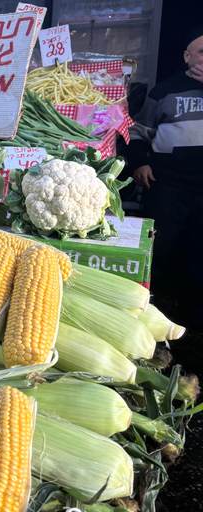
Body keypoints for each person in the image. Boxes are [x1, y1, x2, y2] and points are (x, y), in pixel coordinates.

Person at [128, 26, 203, 326]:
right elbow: (139, 131)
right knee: (160, 247)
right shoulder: (165, 90)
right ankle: (148, 310)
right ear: (187, 57)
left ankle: (194, 318)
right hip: (168, 183)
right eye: (201, 52)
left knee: (198, 251)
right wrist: (139, 164)